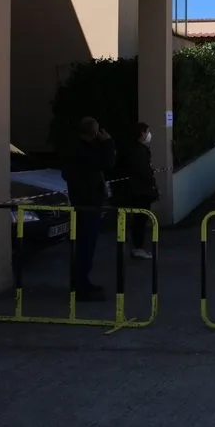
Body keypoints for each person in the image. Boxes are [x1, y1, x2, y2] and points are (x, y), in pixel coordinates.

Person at [61, 117, 117, 301]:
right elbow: (107, 163)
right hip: (88, 203)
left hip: (80, 200)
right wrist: (107, 142)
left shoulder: (73, 148)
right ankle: (81, 286)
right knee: (86, 244)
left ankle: (80, 282)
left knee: (82, 244)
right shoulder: (88, 151)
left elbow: (65, 172)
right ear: (93, 133)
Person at [121, 122, 159, 260]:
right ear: (141, 133)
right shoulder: (139, 151)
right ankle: (138, 247)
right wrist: (152, 185)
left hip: (136, 190)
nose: (149, 134)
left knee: (138, 219)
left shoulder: (131, 149)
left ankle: (137, 246)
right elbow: (144, 171)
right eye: (147, 131)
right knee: (140, 219)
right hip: (141, 191)